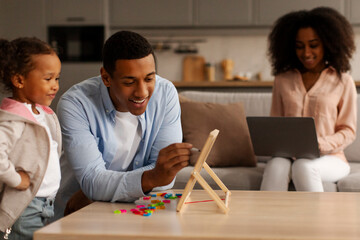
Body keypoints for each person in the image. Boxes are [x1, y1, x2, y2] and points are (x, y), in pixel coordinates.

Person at [53, 30, 193, 219]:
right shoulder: (75, 104)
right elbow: (93, 181)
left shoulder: (166, 93)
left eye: (149, 78)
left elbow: (165, 178)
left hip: (133, 210)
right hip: (79, 213)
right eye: (129, 82)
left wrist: (97, 191)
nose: (142, 92)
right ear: (106, 78)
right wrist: (151, 177)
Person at [261, 7, 357, 192]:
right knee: (275, 166)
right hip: (288, 155)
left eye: (313, 45)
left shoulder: (342, 81)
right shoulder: (282, 79)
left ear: (328, 44)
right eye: (299, 46)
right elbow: (275, 124)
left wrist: (319, 144)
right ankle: (267, 221)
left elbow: (348, 131)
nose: (306, 53)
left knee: (304, 165)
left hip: (331, 158)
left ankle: (315, 221)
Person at [0, 37, 61, 239]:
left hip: (47, 204)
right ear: (19, 80)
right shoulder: (13, 120)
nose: (55, 86)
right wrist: (16, 179)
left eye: (57, 79)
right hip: (24, 208)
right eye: (48, 79)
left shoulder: (43, 113)